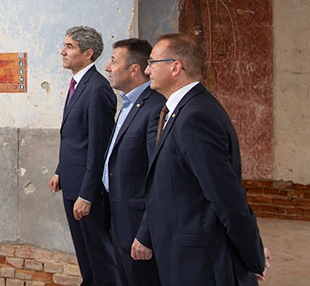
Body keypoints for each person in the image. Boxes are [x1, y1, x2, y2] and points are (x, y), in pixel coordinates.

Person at [134, 33, 270, 285]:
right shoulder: (182, 110)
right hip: (182, 252)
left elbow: (226, 195)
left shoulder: (196, 117)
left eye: (153, 62)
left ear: (175, 67)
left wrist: (251, 254)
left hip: (199, 259)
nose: (146, 69)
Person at [49, 26, 122, 285]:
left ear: (88, 53)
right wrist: (60, 170)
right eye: (65, 45)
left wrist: (87, 194)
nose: (63, 51)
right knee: (85, 255)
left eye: (69, 46)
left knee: (100, 256)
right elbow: (75, 135)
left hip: (86, 191)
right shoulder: (78, 84)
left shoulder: (97, 89)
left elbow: (99, 145)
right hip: (71, 182)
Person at [102, 38, 164, 286]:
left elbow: (158, 178)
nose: (107, 67)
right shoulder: (129, 102)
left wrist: (146, 234)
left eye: (114, 61)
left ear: (134, 70)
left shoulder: (155, 108)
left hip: (138, 225)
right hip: (119, 218)